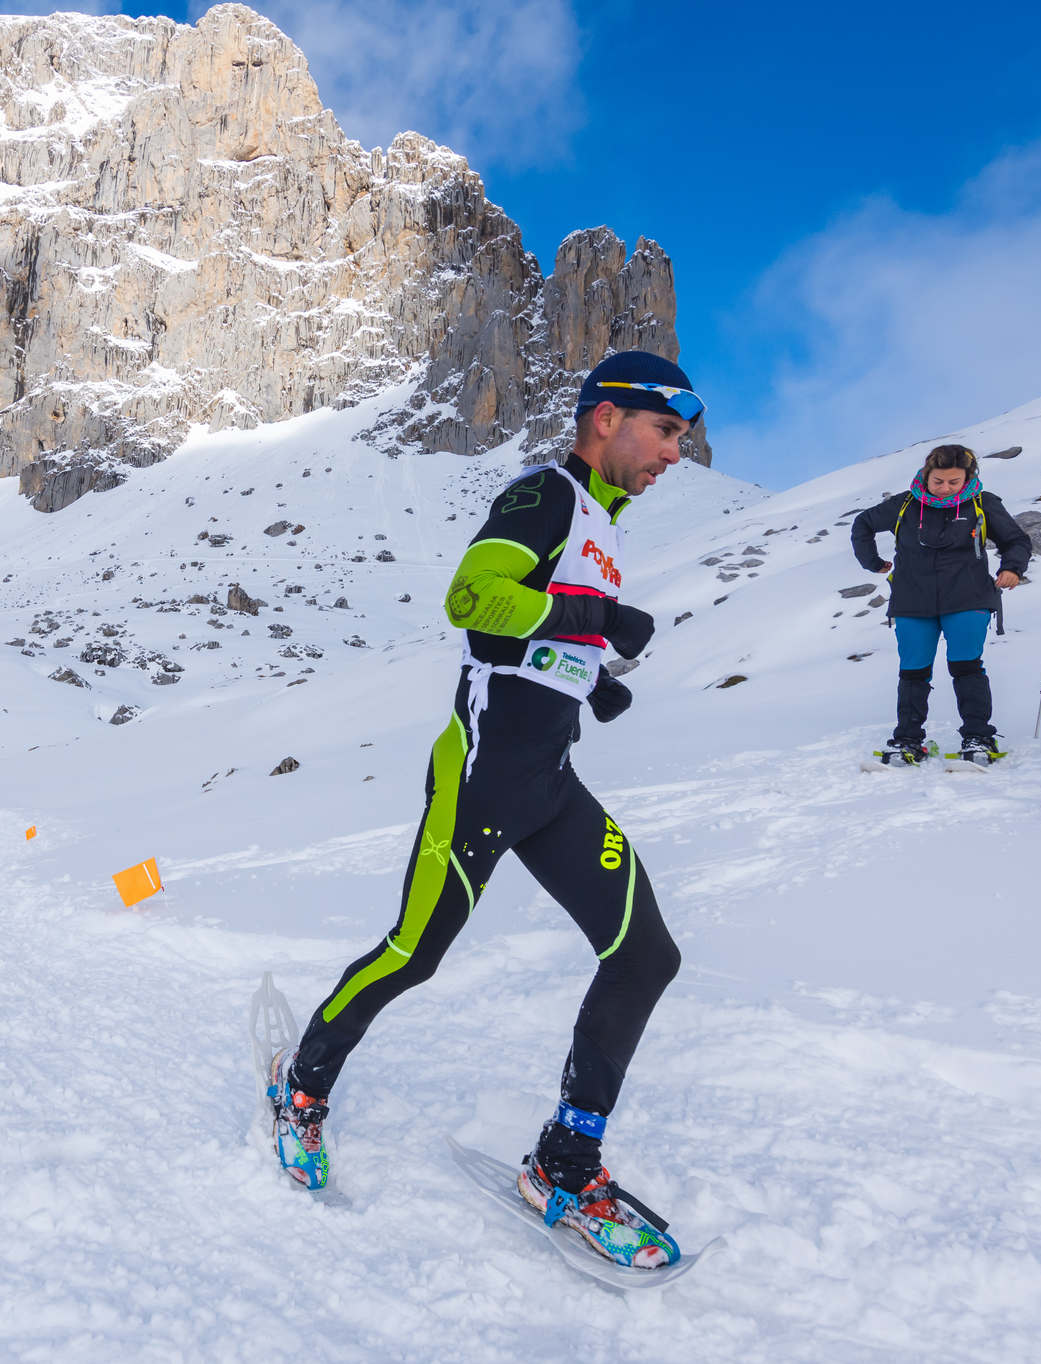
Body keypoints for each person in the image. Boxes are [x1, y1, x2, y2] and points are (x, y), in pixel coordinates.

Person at [266, 351, 698, 1271]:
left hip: (549, 781)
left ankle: (564, 1163)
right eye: (666, 432)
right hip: (480, 780)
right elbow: (473, 600)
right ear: (607, 419)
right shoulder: (544, 495)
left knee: (644, 954)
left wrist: (596, 683)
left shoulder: (600, 524)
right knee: (412, 955)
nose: (675, 454)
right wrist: (599, 620)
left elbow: (533, 638)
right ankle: (300, 1088)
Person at [850, 444, 1032, 762]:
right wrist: (872, 562)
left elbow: (1016, 540)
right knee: (913, 671)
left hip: (968, 597)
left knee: (966, 666)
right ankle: (907, 740)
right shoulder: (905, 504)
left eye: (953, 482)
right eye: (938, 482)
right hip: (912, 600)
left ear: (967, 478)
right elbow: (863, 524)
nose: (945, 488)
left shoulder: (982, 504)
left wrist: (1011, 568)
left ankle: (978, 738)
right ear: (926, 475)